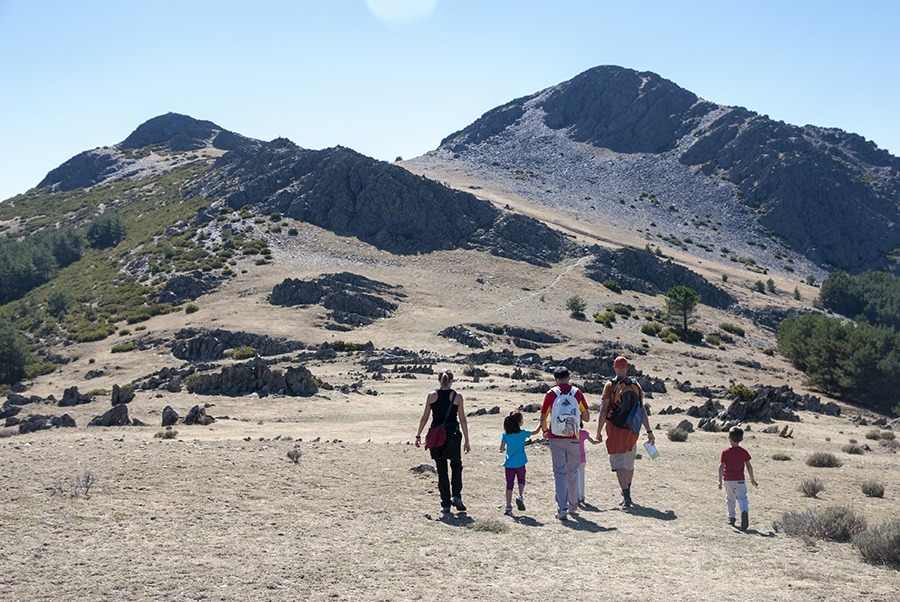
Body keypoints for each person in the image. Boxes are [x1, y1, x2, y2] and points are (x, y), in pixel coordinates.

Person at [595, 356, 654, 509]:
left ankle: (626, 495)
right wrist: (649, 431)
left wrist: (598, 431)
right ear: (627, 367)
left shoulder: (610, 385)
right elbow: (641, 410)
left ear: (614, 368)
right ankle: (628, 491)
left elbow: (603, 410)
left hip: (616, 429)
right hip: (632, 430)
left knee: (618, 462)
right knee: (629, 462)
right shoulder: (636, 385)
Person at [415, 370, 471, 514]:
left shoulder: (431, 396)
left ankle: (445, 504)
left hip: (436, 435)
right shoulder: (457, 396)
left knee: (441, 469)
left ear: (439, 380)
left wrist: (418, 435)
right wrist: (467, 439)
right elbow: (463, 419)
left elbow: (424, 417)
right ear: (452, 380)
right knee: (456, 465)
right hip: (453, 434)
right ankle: (456, 496)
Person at [540, 366, 589, 520]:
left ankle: (562, 509)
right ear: (568, 377)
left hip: (555, 438)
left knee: (559, 474)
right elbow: (587, 417)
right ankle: (573, 506)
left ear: (556, 379)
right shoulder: (577, 393)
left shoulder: (551, 394)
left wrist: (545, 430)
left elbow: (543, 416)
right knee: (572, 473)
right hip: (573, 438)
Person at [500, 411, 542, 515]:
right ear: (519, 422)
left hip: (509, 464)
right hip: (520, 462)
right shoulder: (523, 433)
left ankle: (508, 507)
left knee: (509, 484)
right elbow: (536, 431)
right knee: (521, 479)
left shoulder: (505, 434)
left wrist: (505, 449)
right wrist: (541, 422)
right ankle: (520, 496)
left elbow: (501, 449)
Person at [718, 425, 758, 530]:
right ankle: (744, 511)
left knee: (730, 499)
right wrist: (752, 479)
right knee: (742, 498)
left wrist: (720, 481)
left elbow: (721, 466)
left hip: (728, 480)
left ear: (729, 438)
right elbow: (749, 466)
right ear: (741, 439)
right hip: (740, 480)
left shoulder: (725, 452)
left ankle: (731, 517)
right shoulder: (743, 452)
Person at [577, 422, 599, 506]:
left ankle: (576, 496)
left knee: (574, 478)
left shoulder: (570, 434)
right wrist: (598, 439)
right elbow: (593, 442)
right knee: (581, 477)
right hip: (582, 458)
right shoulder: (583, 433)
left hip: (572, 458)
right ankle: (581, 496)